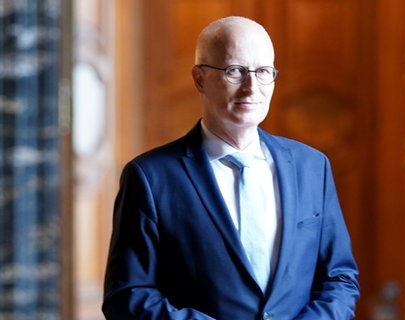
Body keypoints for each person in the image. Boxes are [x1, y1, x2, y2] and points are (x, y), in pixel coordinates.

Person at [102, 16, 360, 319]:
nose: (252, 88)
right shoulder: (150, 178)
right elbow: (127, 294)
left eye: (263, 71)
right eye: (235, 71)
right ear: (199, 79)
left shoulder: (313, 167)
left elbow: (339, 278)